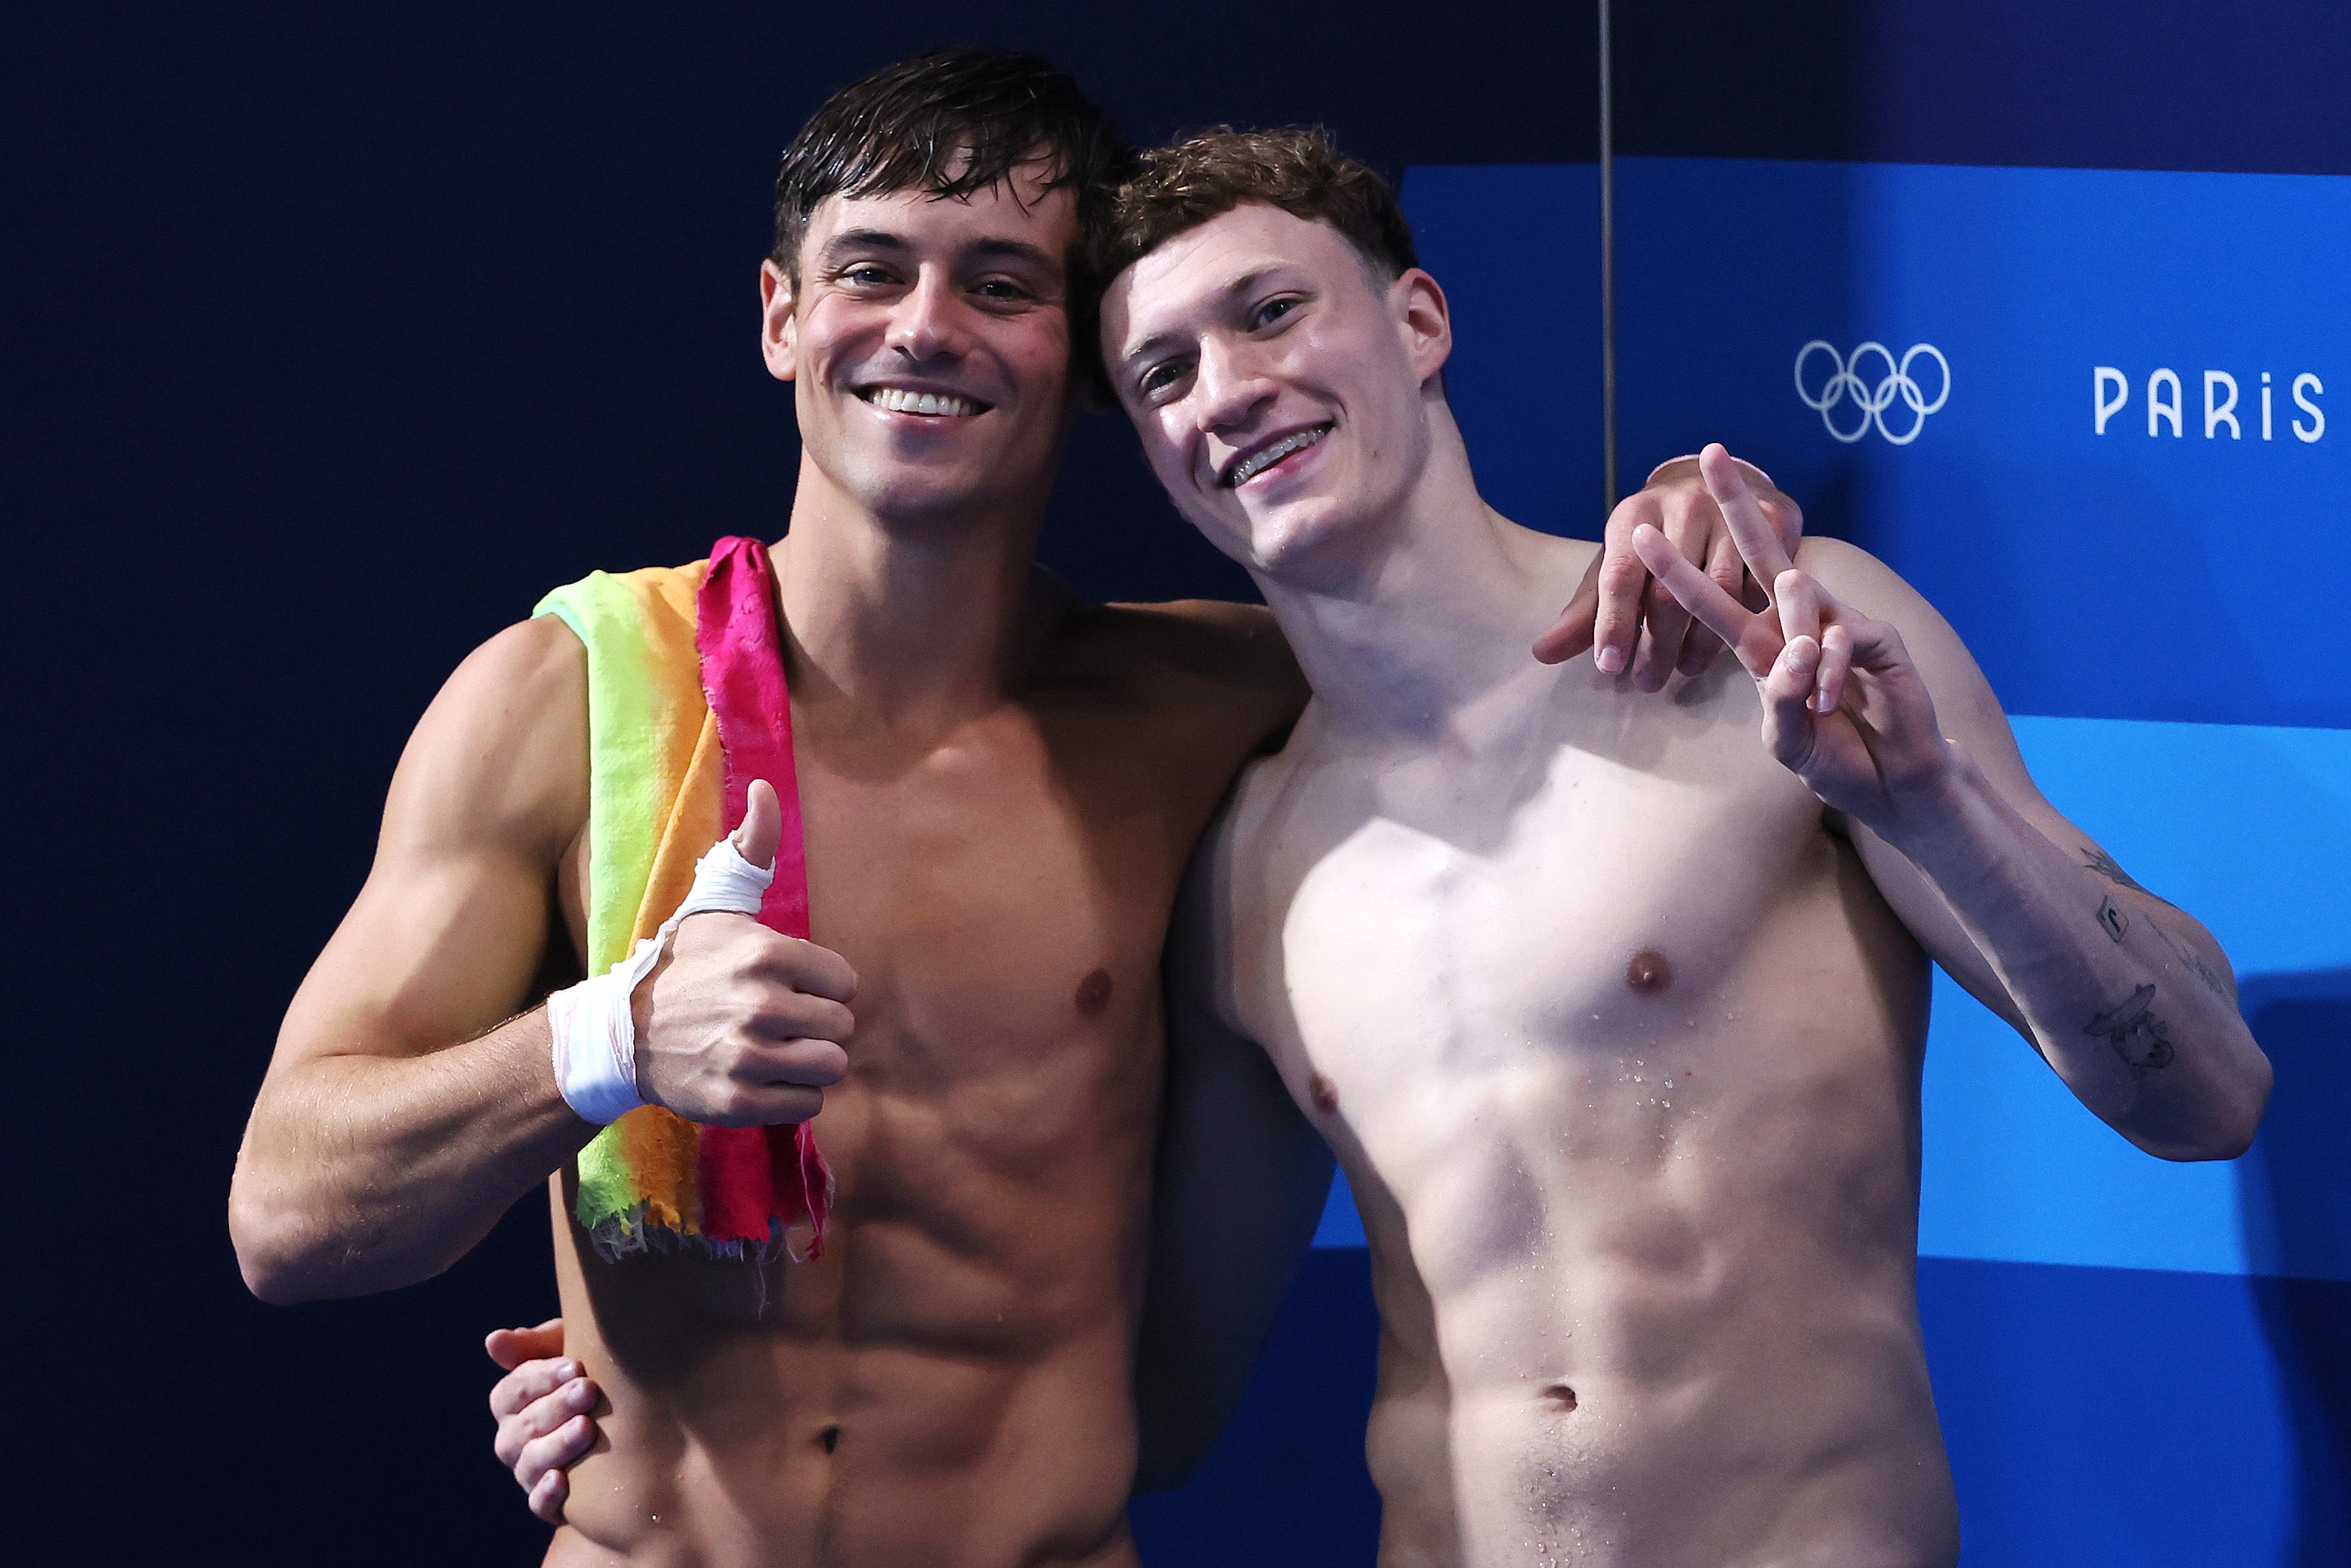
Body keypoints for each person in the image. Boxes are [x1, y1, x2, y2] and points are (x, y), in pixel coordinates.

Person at [230, 54, 1758, 1566]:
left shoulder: (1206, 712)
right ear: (779, 316)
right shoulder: (562, 695)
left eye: (1001, 283)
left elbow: (1499, 641)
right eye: (870, 270)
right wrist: (607, 1039)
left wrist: (1688, 517)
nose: (923, 328)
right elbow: (286, 1216)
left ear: (1079, 358)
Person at [1083, 129, 2273, 1564]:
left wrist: (1932, 809)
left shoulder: (1769, 641)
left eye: (1269, 311)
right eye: (1163, 371)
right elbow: (1158, 1411)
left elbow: (2205, 1096)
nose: (1225, 388)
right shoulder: (1248, 871)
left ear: (1415, 321)